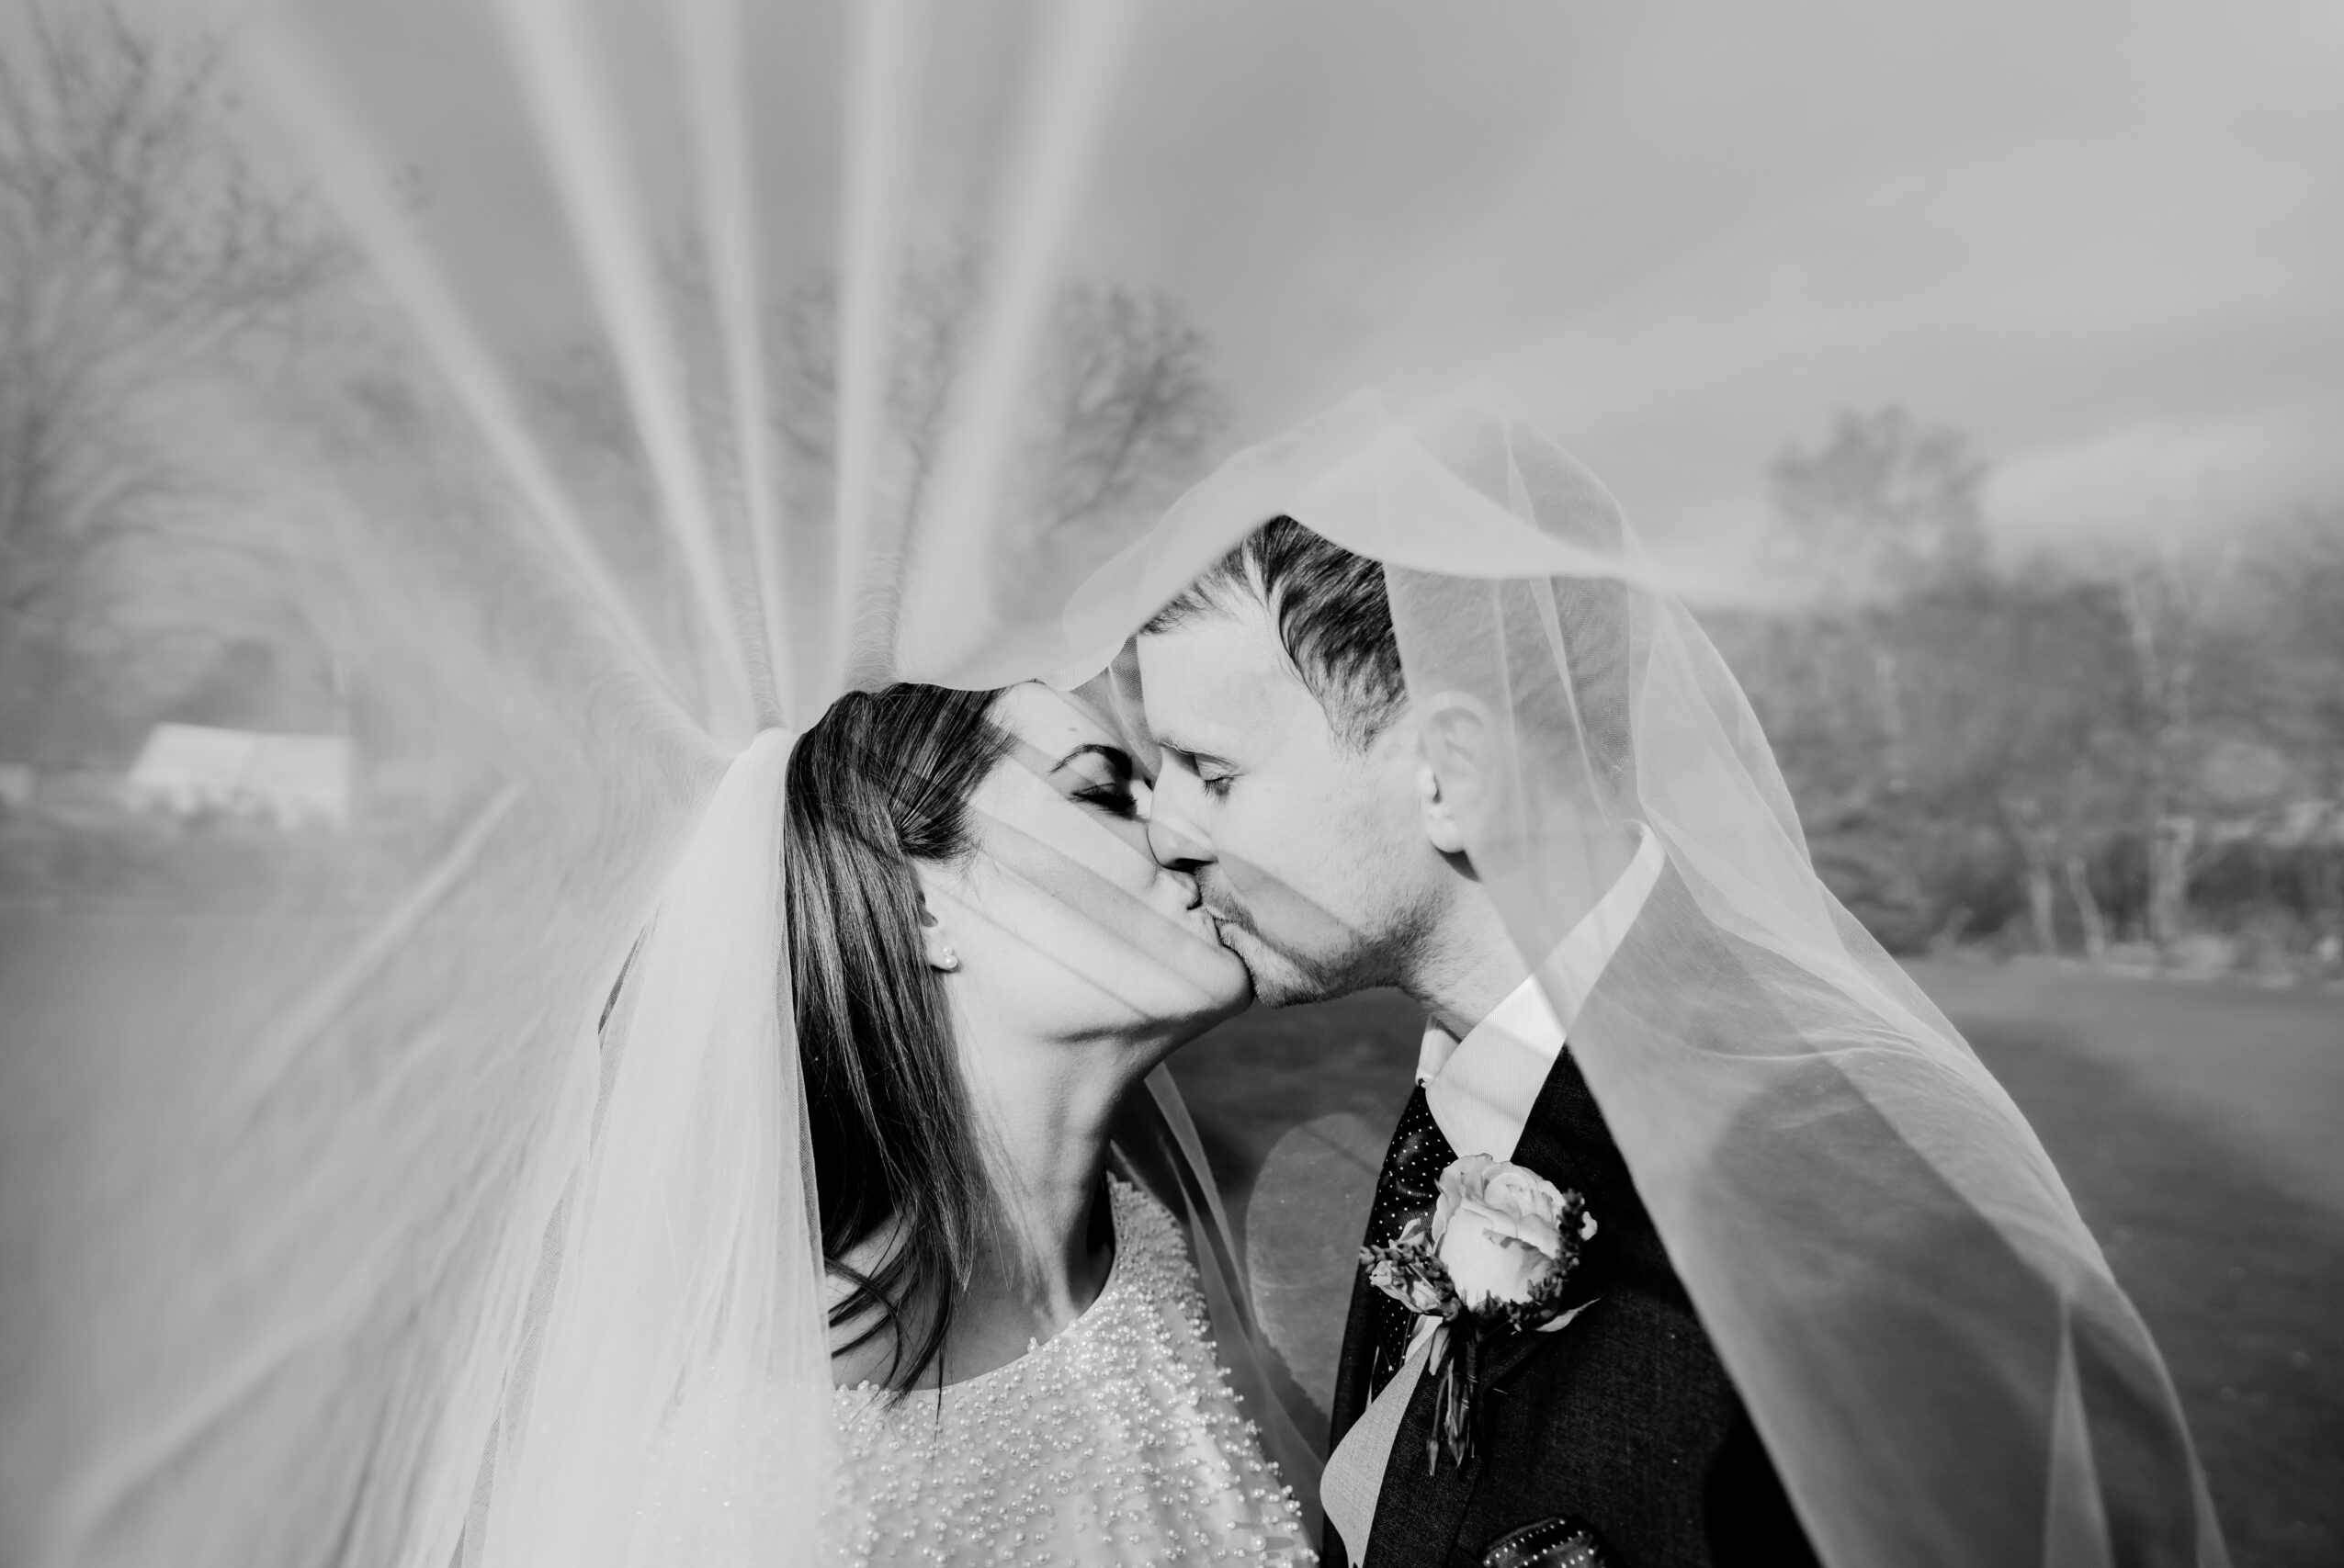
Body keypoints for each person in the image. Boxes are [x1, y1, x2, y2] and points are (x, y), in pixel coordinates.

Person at [1115, 405, 2221, 1568]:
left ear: (1456, 772)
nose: (1168, 833)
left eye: (1209, 771)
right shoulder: (1471, 1099)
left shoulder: (1859, 1192)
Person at [783, 679, 1314, 1568]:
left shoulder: (1142, 1253)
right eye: (1102, 791)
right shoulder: (803, 1429)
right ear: (919, 910)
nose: (1186, 837)